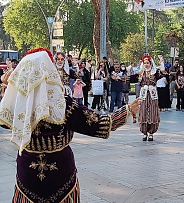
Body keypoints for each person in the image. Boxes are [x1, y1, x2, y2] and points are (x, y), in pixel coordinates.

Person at [0, 48, 140, 203]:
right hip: (61, 170)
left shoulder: (20, 103)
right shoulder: (62, 104)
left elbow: (5, 122)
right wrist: (126, 111)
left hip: (27, 170)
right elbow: (94, 124)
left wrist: (10, 90)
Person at [138, 53, 165, 141]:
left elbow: (163, 71)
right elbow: (133, 79)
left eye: (148, 63)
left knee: (153, 112)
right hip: (144, 95)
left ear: (150, 63)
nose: (146, 64)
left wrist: (161, 61)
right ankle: (144, 133)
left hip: (153, 95)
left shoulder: (155, 72)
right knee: (143, 112)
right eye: (145, 63)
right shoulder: (141, 72)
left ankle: (151, 133)